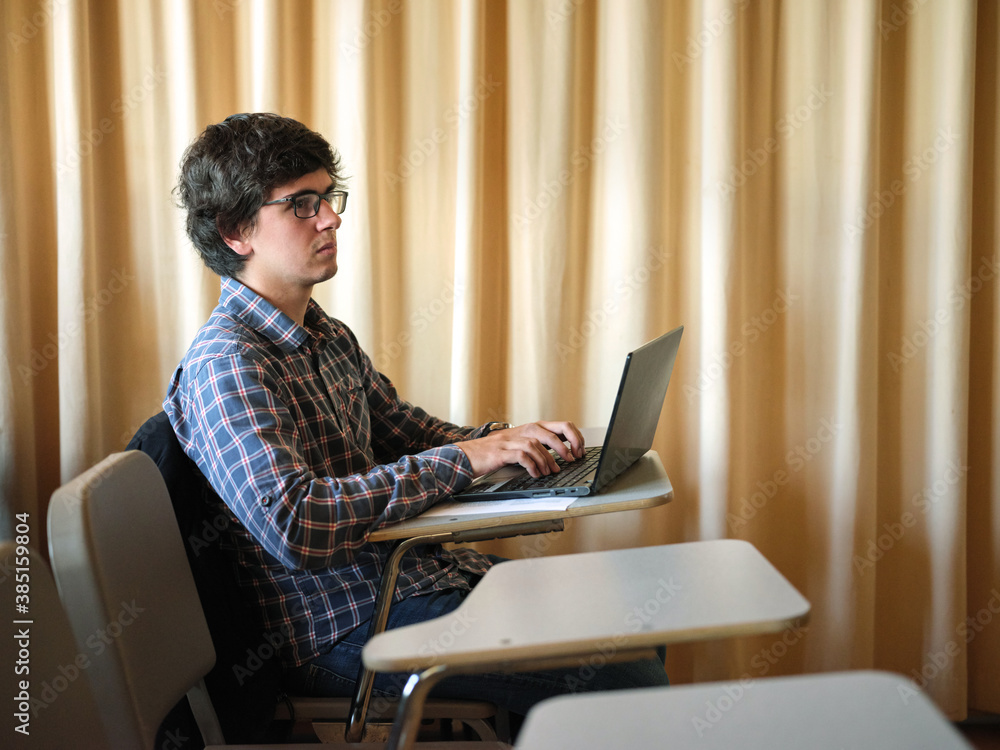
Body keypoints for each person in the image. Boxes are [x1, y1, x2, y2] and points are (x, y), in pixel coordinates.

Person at [164, 112, 667, 723]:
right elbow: (298, 523)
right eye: (302, 205)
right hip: (345, 625)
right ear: (235, 230)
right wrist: (463, 460)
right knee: (625, 665)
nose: (331, 218)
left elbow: (408, 432)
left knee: (643, 622)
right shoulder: (227, 364)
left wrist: (504, 442)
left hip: (414, 580)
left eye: (328, 198)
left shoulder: (324, 333)